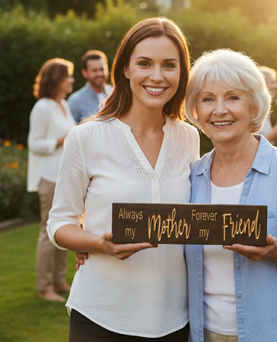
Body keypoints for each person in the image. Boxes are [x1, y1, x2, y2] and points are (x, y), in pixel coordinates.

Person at [47, 18, 199, 341]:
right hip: (101, 317)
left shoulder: (189, 137)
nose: (157, 76)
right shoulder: (86, 137)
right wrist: (96, 243)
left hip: (175, 318)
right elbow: (59, 224)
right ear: (126, 69)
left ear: (181, 73)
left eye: (169, 65)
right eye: (145, 63)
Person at [184, 49, 277, 342]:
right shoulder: (191, 178)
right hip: (205, 334)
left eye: (232, 97)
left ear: (254, 107)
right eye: (207, 99)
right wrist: (90, 243)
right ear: (196, 111)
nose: (219, 110)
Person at [27, 58, 76, 302]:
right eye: (68, 75)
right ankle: (45, 288)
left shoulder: (64, 105)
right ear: (56, 79)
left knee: (63, 229)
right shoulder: (42, 107)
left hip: (64, 177)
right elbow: (34, 144)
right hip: (49, 178)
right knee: (47, 233)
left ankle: (58, 281)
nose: (72, 80)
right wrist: (61, 140)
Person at [67, 50, 113, 123]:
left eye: (102, 69)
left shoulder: (117, 94)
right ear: (85, 73)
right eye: (94, 70)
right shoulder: (75, 101)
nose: (99, 74)